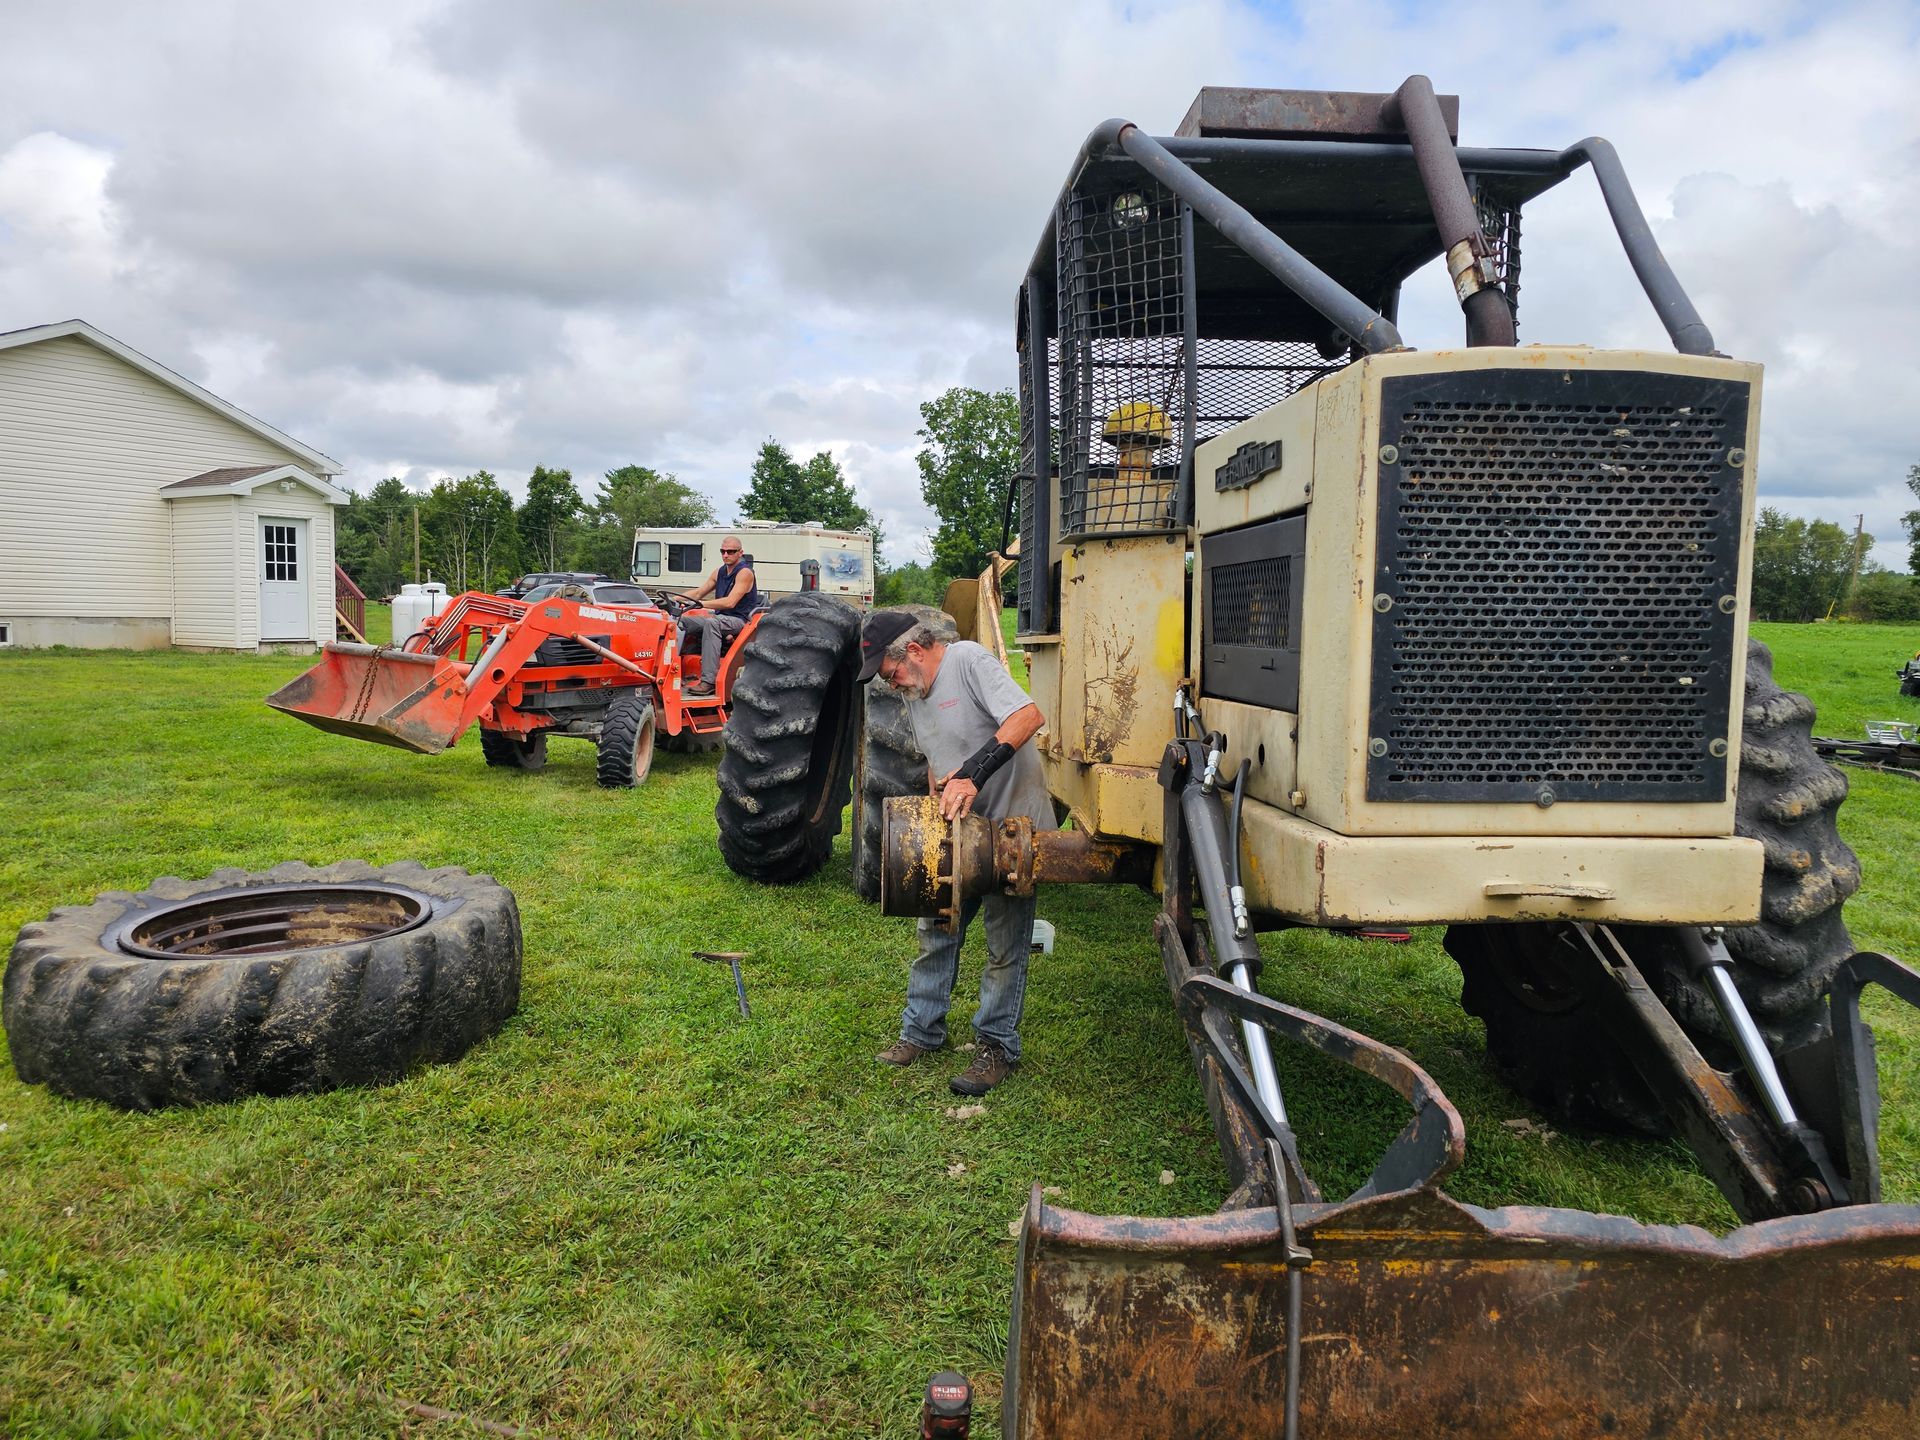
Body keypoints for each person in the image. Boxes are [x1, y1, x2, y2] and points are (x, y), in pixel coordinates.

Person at [858, 606, 1053, 1096]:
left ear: (916, 651)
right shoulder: (917, 694)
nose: (894, 685)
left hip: (1011, 826)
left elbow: (1028, 716)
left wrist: (973, 773)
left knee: (1005, 943)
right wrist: (933, 815)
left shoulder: (968, 661)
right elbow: (938, 763)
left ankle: (996, 1046)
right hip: (958, 831)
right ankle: (921, 1032)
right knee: (936, 929)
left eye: (893, 673)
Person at [676, 536, 761, 695]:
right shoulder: (720, 571)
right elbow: (699, 592)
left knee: (712, 623)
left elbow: (730, 602)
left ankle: (709, 681)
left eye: (730, 551)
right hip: (721, 618)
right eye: (723, 551)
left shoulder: (745, 573)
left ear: (740, 552)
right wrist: (674, 599)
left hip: (740, 621)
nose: (726, 555)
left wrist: (701, 604)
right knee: (681, 621)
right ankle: (673, 671)